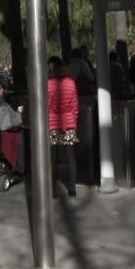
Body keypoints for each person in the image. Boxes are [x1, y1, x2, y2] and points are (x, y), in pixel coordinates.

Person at [47, 56, 79, 197]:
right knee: (70, 157)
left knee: (53, 158)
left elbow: (46, 106)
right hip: (69, 123)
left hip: (52, 123)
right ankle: (72, 189)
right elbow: (74, 106)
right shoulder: (71, 83)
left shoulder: (48, 85)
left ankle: (53, 190)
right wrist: (74, 122)